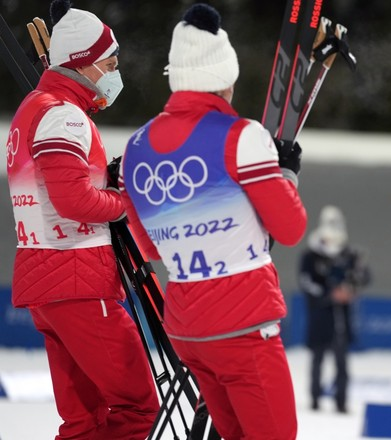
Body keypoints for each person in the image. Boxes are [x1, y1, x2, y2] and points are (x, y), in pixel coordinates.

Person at [119, 4, 307, 440]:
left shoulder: (135, 146)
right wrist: (285, 175)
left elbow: (148, 246)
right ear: (224, 76)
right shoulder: (242, 136)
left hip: (188, 328)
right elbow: (290, 229)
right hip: (243, 324)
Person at [5, 0, 159, 438]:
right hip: (76, 280)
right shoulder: (62, 115)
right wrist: (121, 200)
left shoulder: (35, 107)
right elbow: (75, 201)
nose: (115, 71)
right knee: (138, 407)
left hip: (48, 282)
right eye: (109, 63)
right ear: (84, 64)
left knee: (83, 421)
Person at [299, 205, 371, 413]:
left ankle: (341, 401)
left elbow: (364, 277)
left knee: (342, 363)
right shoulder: (310, 256)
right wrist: (330, 295)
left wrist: (350, 289)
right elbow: (306, 283)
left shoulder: (349, 255)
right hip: (320, 317)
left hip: (341, 318)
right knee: (317, 360)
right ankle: (314, 400)